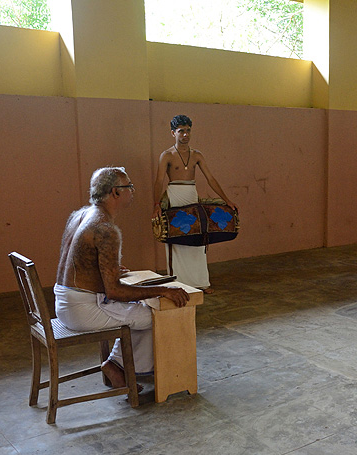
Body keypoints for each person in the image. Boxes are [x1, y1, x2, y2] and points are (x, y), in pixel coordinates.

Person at [55, 167, 190, 389]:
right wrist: (163, 290)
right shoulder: (105, 229)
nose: (133, 191)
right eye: (130, 187)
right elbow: (115, 292)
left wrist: (110, 271)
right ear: (115, 192)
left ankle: (118, 364)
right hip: (81, 310)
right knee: (157, 314)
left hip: (65, 302)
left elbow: (80, 264)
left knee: (141, 308)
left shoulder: (80, 215)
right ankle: (117, 365)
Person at [153, 115, 237, 294]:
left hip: (192, 195)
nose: (185, 134)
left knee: (199, 239)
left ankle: (201, 283)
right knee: (177, 239)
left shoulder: (197, 155)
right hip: (174, 196)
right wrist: (156, 204)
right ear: (173, 133)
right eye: (181, 131)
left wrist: (226, 199)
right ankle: (179, 284)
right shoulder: (166, 155)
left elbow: (211, 178)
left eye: (188, 130)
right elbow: (159, 181)